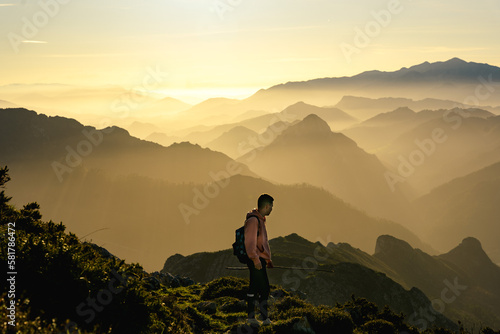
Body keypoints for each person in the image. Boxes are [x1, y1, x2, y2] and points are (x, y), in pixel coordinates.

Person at [244, 193, 274, 326]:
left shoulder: (260, 219)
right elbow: (250, 242)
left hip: (259, 259)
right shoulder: (253, 221)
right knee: (263, 288)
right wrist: (255, 259)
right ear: (266, 206)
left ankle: (255, 317)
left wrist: (268, 260)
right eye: (271, 206)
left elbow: (262, 242)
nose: (272, 209)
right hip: (255, 260)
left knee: (256, 288)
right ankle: (262, 318)